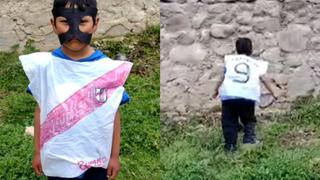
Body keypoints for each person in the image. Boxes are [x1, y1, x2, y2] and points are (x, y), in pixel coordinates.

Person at [19, 0, 132, 179]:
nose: (74, 31)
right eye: (65, 22)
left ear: (95, 24)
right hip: (58, 159)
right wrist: (38, 152)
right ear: (53, 24)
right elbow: (41, 110)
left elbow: (113, 114)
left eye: (82, 22)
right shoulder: (45, 67)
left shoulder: (108, 71)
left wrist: (114, 156)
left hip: (95, 162)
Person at [213, 37, 277, 152]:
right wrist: (274, 92)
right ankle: (249, 140)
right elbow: (265, 79)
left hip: (229, 94)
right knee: (248, 119)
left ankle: (230, 146)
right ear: (251, 50)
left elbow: (221, 77)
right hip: (248, 94)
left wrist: (215, 90)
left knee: (229, 120)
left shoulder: (230, 60)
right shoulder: (256, 64)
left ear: (236, 49)